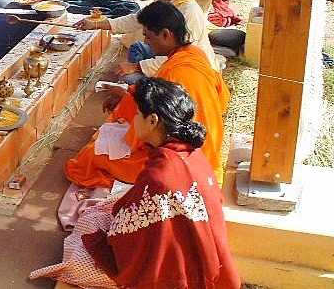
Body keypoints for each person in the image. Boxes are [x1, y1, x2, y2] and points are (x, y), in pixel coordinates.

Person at [82, 78, 242, 289]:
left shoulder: (161, 175)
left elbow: (124, 233)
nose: (134, 119)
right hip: (211, 264)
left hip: (186, 277)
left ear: (152, 121)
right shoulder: (193, 153)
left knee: (85, 230)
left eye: (137, 114)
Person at [64, 1, 230, 189]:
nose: (146, 42)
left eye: (148, 37)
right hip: (206, 144)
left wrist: (127, 101)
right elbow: (222, 98)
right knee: (114, 127)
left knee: (90, 159)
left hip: (184, 156)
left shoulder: (177, 72)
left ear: (166, 34)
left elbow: (156, 125)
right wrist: (127, 97)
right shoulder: (195, 53)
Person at [75, 0, 218, 77]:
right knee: (137, 48)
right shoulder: (164, 2)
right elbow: (135, 20)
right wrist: (96, 24)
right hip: (168, 56)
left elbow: (181, 58)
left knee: (129, 78)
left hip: (189, 69)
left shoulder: (190, 12)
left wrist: (136, 66)